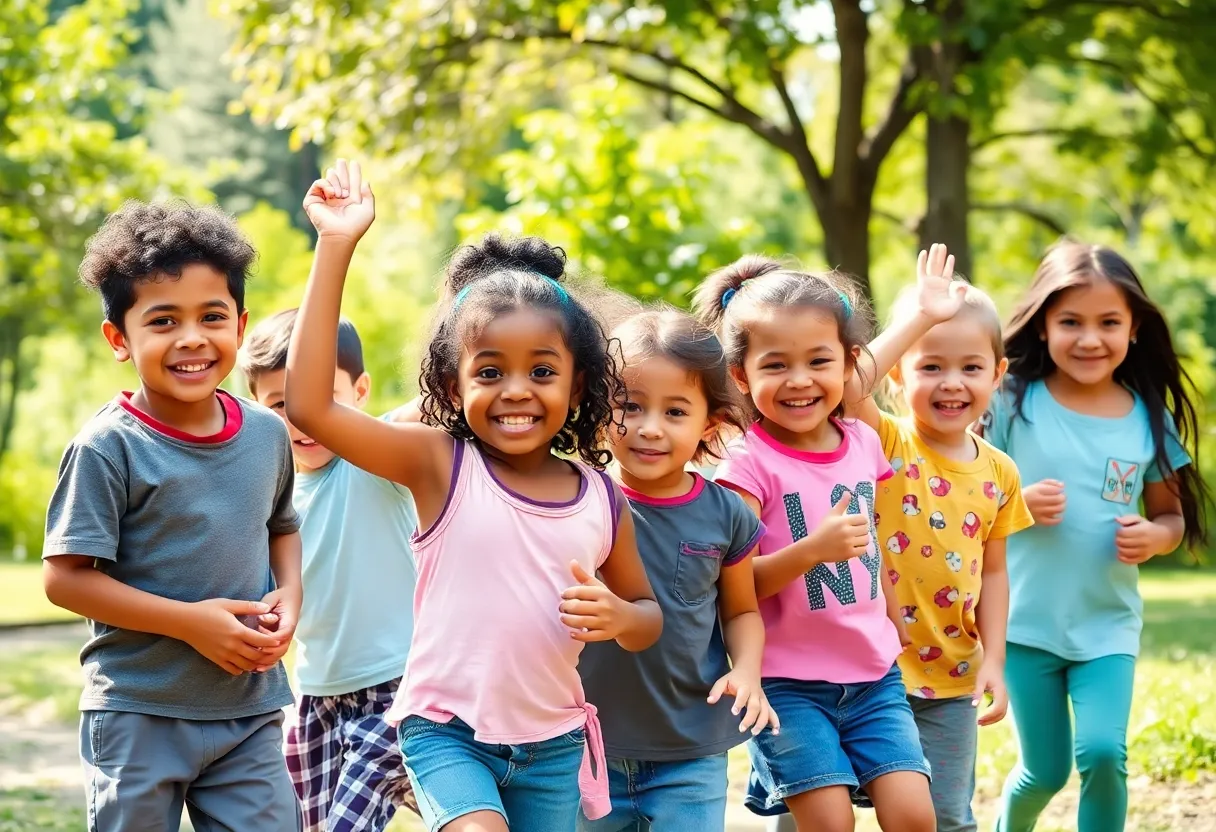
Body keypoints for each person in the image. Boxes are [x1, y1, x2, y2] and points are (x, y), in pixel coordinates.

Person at [284, 159, 663, 832]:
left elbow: (646, 616)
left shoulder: (602, 499)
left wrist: (618, 616)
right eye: (490, 371)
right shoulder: (440, 465)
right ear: (453, 388)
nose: (516, 389)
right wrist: (336, 246)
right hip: (445, 732)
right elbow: (311, 407)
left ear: (579, 386)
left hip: (552, 745)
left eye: (542, 371)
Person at [42, 201, 302, 831]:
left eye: (212, 317)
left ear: (239, 327)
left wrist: (289, 598)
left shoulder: (267, 434)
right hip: (137, 711)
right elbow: (65, 578)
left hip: (247, 711)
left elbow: (282, 528)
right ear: (119, 339)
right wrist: (191, 625)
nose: (192, 338)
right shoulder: (110, 447)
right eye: (162, 321)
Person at [697, 251, 945, 832]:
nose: (801, 380)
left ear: (848, 364)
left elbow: (870, 539)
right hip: (785, 682)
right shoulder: (745, 464)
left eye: (819, 361)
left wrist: (889, 607)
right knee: (831, 823)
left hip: (872, 673)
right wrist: (810, 551)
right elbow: (734, 585)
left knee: (914, 816)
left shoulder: (860, 439)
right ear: (741, 376)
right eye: (776, 365)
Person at [980, 241, 1208, 832]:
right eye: (1070, 322)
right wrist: (1018, 504)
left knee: (1106, 755)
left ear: (1134, 329)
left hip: (1108, 625)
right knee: (1044, 771)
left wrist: (1156, 537)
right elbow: (964, 496)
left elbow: (1172, 516)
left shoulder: (1147, 417)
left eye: (1108, 322)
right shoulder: (1011, 402)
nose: (1089, 339)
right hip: (1026, 625)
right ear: (1043, 325)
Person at [848, 246, 1035, 832]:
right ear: (900, 374)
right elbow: (848, 388)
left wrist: (995, 660)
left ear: (998, 375)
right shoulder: (886, 442)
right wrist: (919, 320)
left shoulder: (1001, 471)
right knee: (819, 810)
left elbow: (997, 572)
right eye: (931, 366)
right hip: (863, 674)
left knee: (947, 817)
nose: (951, 383)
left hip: (951, 679)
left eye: (971, 367)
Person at [577, 308, 779, 831]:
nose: (649, 428)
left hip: (691, 745)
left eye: (674, 412)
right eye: (630, 406)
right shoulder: (577, 500)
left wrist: (748, 669)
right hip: (584, 745)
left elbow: (741, 610)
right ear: (601, 409)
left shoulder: (726, 513)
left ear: (709, 423)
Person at [241, 308, 420, 831]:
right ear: (257, 410)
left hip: (397, 691)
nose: (304, 418)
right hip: (315, 697)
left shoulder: (377, 457)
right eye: (281, 404)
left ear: (360, 390)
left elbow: (438, 398)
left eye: (323, 400)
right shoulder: (270, 496)